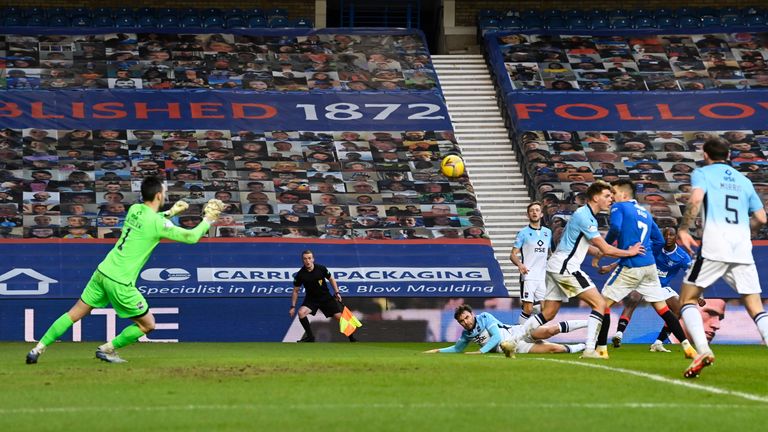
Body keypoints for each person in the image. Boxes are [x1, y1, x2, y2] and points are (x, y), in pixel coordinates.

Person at [26, 177, 225, 364]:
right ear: (158, 196)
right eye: (164, 192)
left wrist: (171, 212)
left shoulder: (135, 209)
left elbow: (149, 222)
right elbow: (191, 237)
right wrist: (208, 219)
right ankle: (107, 349)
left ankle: (37, 349)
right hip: (121, 281)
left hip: (103, 272)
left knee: (73, 314)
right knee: (148, 325)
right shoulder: (157, 223)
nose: (165, 195)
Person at [520, 181, 644, 359]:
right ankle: (589, 350)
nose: (611, 199)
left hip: (556, 265)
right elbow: (607, 248)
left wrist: (599, 255)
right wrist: (629, 252)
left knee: (548, 313)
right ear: (595, 197)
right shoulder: (585, 216)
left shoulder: (585, 216)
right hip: (566, 266)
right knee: (600, 304)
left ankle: (514, 339)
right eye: (607, 196)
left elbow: (589, 247)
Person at [677, 139, 768, 378]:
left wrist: (684, 229)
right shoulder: (744, 180)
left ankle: (702, 351)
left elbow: (696, 199)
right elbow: (761, 218)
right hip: (741, 248)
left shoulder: (702, 173)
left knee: (687, 299)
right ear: (728, 155)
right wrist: (744, 232)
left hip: (714, 246)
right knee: (755, 306)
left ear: (705, 154)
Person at [592, 180, 696, 359]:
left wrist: (603, 249)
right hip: (649, 267)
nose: (611, 197)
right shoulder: (646, 214)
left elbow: (615, 228)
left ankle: (601, 349)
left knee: (601, 304)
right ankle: (688, 347)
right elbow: (659, 241)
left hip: (632, 265)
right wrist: (646, 250)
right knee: (663, 308)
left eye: (613, 192)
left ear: (624, 195)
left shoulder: (620, 207)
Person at [607, 227, 692, 351]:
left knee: (678, 309)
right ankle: (619, 334)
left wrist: (699, 295)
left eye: (671, 235)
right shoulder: (654, 246)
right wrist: (611, 265)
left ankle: (658, 343)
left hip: (661, 287)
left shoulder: (682, 256)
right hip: (643, 282)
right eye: (665, 235)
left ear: (676, 238)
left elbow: (691, 275)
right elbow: (632, 256)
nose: (668, 237)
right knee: (633, 298)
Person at [422, 304, 586, 356]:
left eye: (466, 317)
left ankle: (590, 323)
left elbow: (496, 338)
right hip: (514, 347)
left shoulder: (485, 317)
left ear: (472, 314)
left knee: (550, 330)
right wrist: (437, 351)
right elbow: (457, 349)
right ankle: (583, 346)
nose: (465, 322)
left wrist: (481, 352)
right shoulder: (466, 334)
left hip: (516, 333)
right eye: (462, 321)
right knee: (553, 348)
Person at [288, 250, 356, 342]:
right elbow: (295, 291)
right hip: (311, 299)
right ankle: (310, 337)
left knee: (339, 317)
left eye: (309, 258)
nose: (307, 261)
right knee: (301, 313)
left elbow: (331, 279)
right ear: (302, 260)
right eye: (305, 259)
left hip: (325, 298)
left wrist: (337, 292)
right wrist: (293, 306)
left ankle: (352, 338)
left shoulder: (321, 268)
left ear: (313, 259)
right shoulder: (300, 275)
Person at [510, 202, 551, 325]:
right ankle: (518, 335)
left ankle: (537, 335)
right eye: (532, 210)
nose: (534, 212)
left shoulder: (547, 232)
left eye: (537, 210)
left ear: (541, 214)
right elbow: (512, 254)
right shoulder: (523, 233)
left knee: (545, 310)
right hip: (528, 276)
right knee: (527, 309)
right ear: (528, 215)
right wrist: (520, 265)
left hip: (542, 276)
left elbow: (549, 253)